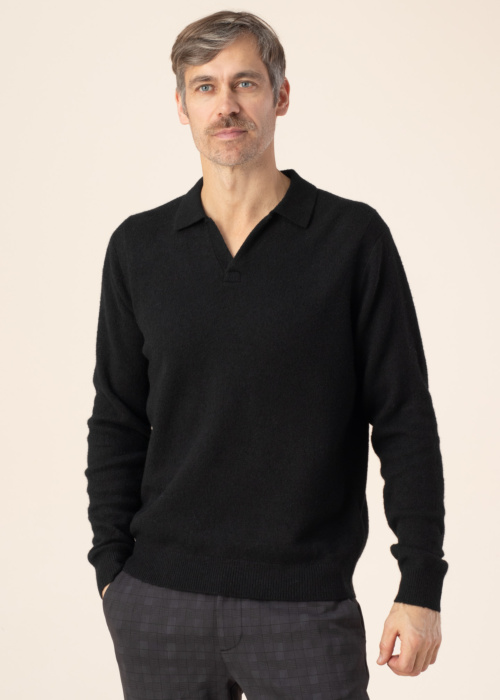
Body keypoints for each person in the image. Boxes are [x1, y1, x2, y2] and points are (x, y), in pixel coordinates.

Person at [85, 10, 448, 700]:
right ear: (182, 106)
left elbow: (404, 418)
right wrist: (112, 574)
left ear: (280, 96)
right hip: (159, 605)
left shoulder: (351, 240)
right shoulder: (138, 248)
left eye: (245, 83)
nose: (225, 105)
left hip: (304, 607)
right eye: (205, 86)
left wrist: (420, 583)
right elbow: (118, 419)